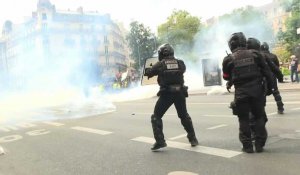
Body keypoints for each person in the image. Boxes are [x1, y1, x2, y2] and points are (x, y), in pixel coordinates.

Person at [222, 32, 274, 153]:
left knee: (243, 119)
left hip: (241, 93)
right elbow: (267, 73)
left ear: (231, 44)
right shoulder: (256, 54)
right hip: (257, 92)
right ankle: (260, 144)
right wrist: (270, 88)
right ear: (244, 42)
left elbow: (226, 76)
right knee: (259, 117)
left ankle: (247, 146)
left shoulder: (228, 59)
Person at [144, 43, 199, 151]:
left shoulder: (160, 64)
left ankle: (160, 141)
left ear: (162, 53)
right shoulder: (180, 62)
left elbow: (149, 73)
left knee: (156, 116)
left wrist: (148, 70)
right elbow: (182, 70)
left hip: (167, 94)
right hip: (180, 93)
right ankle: (193, 139)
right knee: (184, 116)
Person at [261, 42, 285, 114]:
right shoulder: (273, 56)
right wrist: (280, 78)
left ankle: (261, 112)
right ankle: (280, 108)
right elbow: (277, 67)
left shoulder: (259, 56)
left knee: (262, 94)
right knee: (276, 92)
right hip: (272, 76)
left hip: (263, 77)